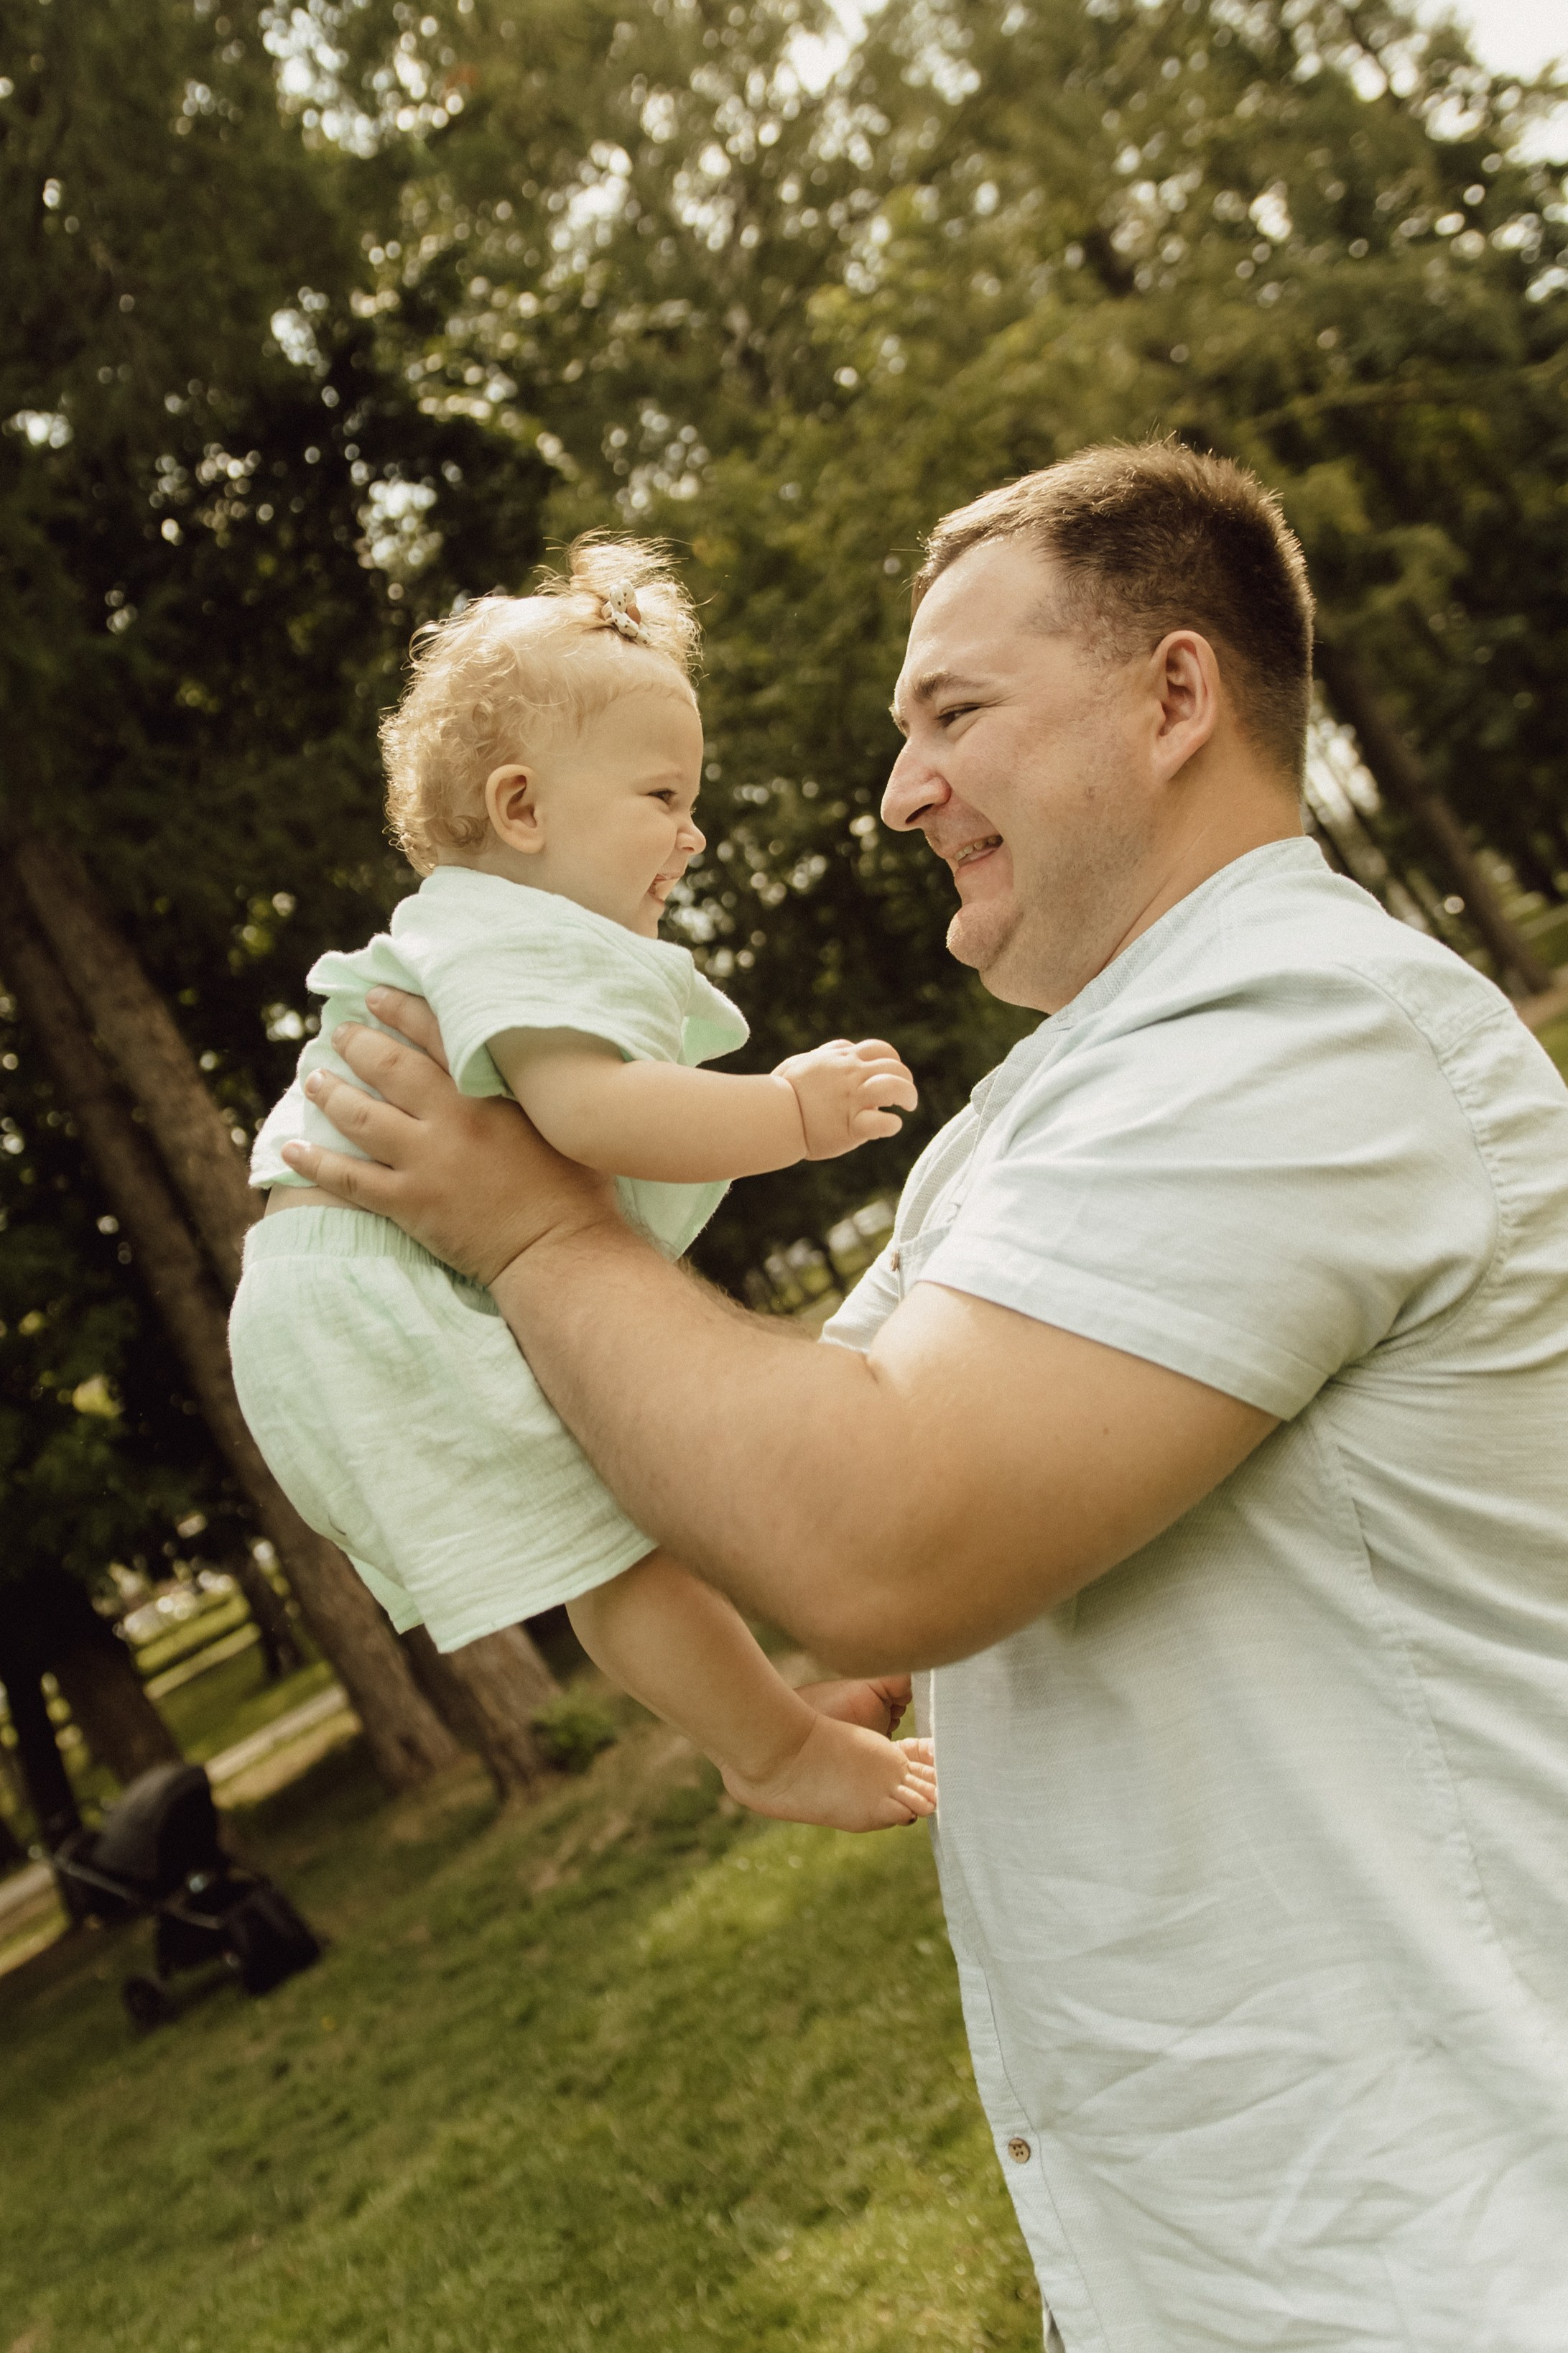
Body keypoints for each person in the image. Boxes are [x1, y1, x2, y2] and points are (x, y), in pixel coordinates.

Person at [280, 445, 1568, 2352]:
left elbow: (867, 1536)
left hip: (1459, 2239)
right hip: (1257, 2252)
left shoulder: (1297, 1033)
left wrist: (531, 1229)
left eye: (955, 713)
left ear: (1176, 698)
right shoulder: (1054, 1109)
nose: (900, 790)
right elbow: (767, 1466)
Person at [230, 533, 935, 1834]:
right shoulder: (515, 938)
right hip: (369, 1298)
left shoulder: (481, 925)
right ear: (523, 811)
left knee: (624, 1527)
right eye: (663, 796)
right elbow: (594, 1113)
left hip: (341, 1293)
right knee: (619, 1546)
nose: (694, 830)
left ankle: (767, 1718)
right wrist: (788, 1112)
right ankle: (772, 1748)